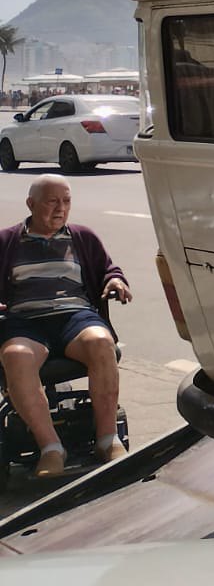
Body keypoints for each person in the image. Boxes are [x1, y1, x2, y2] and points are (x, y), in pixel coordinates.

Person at [0, 175, 131, 478]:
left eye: (66, 201)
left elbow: (109, 269)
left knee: (101, 342)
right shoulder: (7, 241)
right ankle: (51, 449)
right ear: (31, 204)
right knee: (16, 356)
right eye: (52, 201)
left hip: (75, 317)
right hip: (25, 321)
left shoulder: (82, 236)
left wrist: (115, 281)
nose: (61, 208)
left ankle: (107, 439)